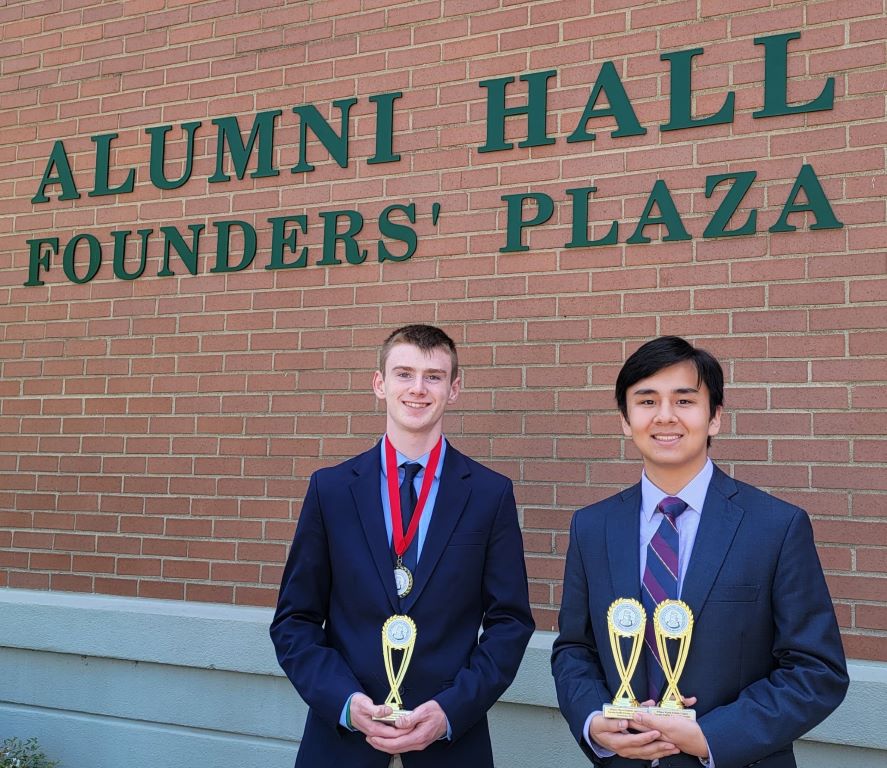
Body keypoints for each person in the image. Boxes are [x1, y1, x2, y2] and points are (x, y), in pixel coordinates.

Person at [551, 336, 848, 768]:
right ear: (625, 419)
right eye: (647, 401)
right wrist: (594, 720)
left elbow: (816, 671)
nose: (665, 416)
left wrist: (712, 737)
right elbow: (575, 650)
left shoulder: (776, 527)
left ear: (715, 418)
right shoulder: (592, 527)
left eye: (685, 401)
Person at [271, 324, 534, 768]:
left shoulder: (490, 494)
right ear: (380, 384)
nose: (418, 389)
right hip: (342, 744)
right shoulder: (331, 490)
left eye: (433, 376)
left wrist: (451, 710)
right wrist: (345, 702)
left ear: (454, 389)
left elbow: (510, 623)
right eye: (404, 373)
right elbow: (294, 620)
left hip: (450, 747)